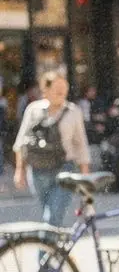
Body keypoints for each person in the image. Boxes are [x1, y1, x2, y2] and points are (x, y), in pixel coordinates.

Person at [13, 71, 90, 228]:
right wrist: (19, 170)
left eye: (64, 87)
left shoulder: (73, 111)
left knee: (52, 216)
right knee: (48, 214)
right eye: (57, 87)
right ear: (45, 90)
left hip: (65, 170)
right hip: (37, 171)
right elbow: (21, 142)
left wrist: (85, 176)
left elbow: (81, 145)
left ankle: (45, 252)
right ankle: (54, 250)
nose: (62, 91)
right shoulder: (33, 110)